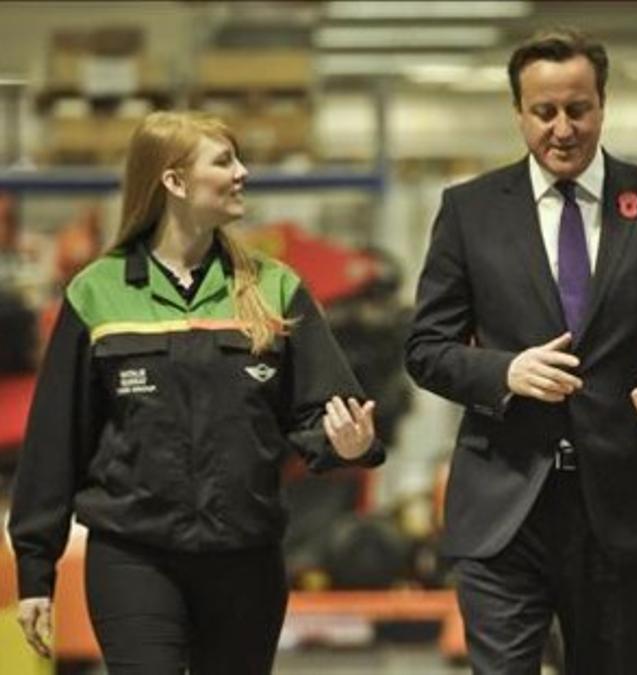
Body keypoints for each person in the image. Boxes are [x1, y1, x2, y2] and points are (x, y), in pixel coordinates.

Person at [405, 27, 637, 674]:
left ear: (602, 104)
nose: (562, 128)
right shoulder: (469, 211)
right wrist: (505, 370)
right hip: (505, 503)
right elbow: (426, 346)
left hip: (625, 500)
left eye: (577, 109)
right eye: (544, 112)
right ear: (518, 113)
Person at [8, 111, 384, 674]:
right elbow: (54, 442)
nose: (243, 172)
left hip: (245, 561)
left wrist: (348, 445)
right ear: (174, 181)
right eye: (224, 161)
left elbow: (321, 411)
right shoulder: (98, 293)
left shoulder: (275, 287)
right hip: (134, 556)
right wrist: (35, 573)